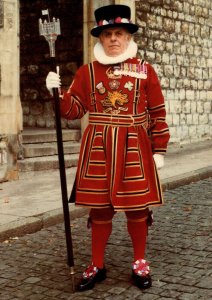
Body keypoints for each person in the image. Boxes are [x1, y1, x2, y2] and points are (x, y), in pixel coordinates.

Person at [46, 4, 170, 292]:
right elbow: (74, 110)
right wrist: (58, 93)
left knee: (138, 209)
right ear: (99, 39)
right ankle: (97, 264)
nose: (113, 38)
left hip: (135, 148)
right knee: (99, 211)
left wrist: (159, 150)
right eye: (107, 34)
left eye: (119, 33)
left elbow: (158, 112)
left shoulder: (145, 70)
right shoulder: (87, 72)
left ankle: (139, 261)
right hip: (98, 148)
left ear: (128, 37)